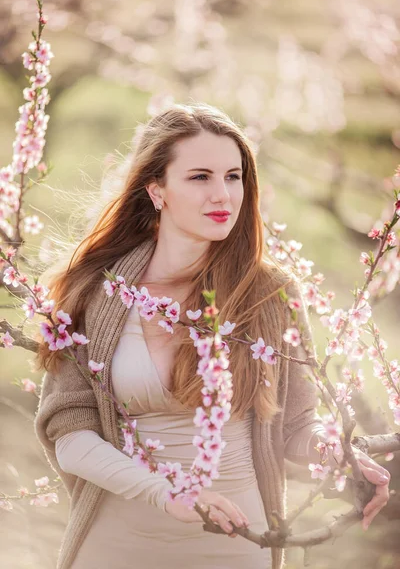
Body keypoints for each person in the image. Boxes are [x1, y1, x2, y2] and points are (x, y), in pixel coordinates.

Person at [34, 103, 390, 569]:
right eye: (200, 177)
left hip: (234, 541)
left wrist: (339, 453)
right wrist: (166, 493)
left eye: (233, 177)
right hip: (117, 540)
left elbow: (295, 425)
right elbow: (71, 435)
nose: (222, 195)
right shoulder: (95, 292)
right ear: (155, 188)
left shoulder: (271, 294)